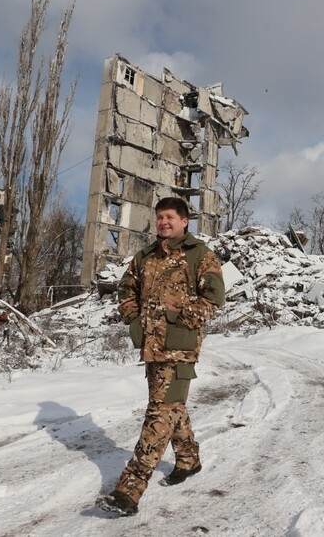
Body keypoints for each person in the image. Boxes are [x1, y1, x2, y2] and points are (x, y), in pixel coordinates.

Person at [96, 197, 225, 517]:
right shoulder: (144, 257)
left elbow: (214, 297)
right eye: (160, 218)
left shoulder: (200, 255)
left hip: (180, 348)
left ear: (185, 221)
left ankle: (130, 490)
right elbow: (126, 289)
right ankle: (188, 459)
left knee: (159, 413)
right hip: (152, 348)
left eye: (170, 217)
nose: (164, 222)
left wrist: (178, 319)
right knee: (171, 408)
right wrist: (134, 320)